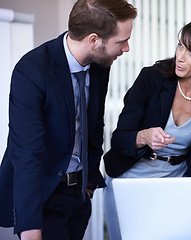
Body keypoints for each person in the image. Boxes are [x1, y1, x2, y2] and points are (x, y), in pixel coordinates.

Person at [0, 0, 137, 239]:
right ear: (93, 40)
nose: (126, 48)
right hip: (45, 195)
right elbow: (26, 153)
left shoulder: (100, 64)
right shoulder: (31, 71)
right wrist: (30, 228)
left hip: (79, 195)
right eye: (122, 41)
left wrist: (89, 184)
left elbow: (94, 124)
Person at [103, 17, 191, 239]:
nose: (180, 57)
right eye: (180, 45)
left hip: (174, 184)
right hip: (127, 181)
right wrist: (144, 137)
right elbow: (119, 140)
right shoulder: (152, 78)